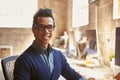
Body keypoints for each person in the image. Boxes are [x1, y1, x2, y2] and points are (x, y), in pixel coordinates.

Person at [13, 8, 87, 80]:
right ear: (34, 29)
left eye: (50, 27)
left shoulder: (58, 55)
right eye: (41, 27)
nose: (46, 31)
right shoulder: (23, 60)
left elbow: (71, 74)